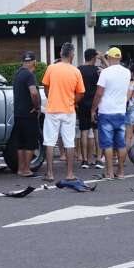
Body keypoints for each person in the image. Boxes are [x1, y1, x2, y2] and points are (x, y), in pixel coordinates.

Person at [42, 42, 86, 191]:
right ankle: (69, 173)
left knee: (49, 141)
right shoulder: (75, 71)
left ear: (61, 53)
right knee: (69, 142)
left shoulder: (51, 68)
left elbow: (46, 88)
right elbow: (80, 93)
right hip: (68, 110)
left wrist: (52, 98)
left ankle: (49, 173)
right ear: (72, 55)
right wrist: (71, 101)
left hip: (52, 109)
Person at [91, 47, 131, 179]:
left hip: (106, 111)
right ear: (119, 58)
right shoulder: (127, 72)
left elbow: (99, 93)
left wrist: (93, 109)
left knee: (107, 144)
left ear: (109, 58)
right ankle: (121, 172)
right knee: (120, 143)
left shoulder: (105, 73)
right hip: (120, 111)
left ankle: (109, 172)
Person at [12, 51, 41, 177]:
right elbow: (33, 93)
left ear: (23, 62)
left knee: (21, 143)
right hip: (29, 113)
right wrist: (37, 107)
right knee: (30, 142)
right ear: (34, 62)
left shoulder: (18, 73)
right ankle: (27, 169)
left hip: (18, 113)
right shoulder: (29, 75)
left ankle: (20, 169)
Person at [77, 48, 100, 169]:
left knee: (84, 132)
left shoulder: (79, 69)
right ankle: (98, 159)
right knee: (96, 132)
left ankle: (84, 160)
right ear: (94, 58)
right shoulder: (98, 70)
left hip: (82, 103)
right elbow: (109, 71)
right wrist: (104, 59)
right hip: (95, 104)